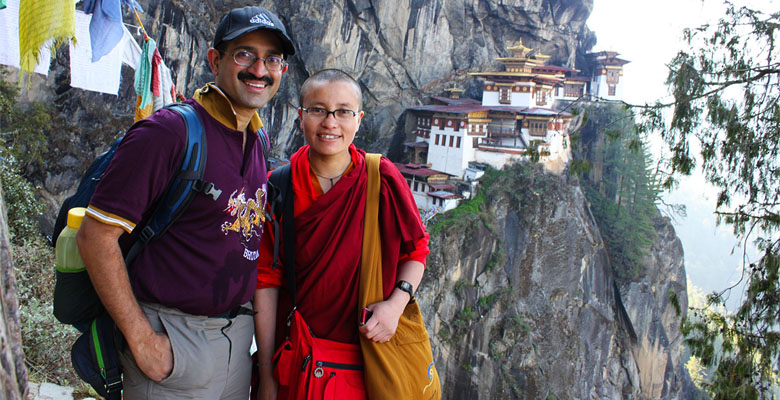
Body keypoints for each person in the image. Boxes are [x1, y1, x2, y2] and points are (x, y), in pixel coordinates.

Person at [76, 6, 295, 399]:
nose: (260, 69)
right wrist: (142, 339)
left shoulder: (258, 141)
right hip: (171, 341)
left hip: (235, 343)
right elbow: (96, 236)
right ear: (215, 60)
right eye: (244, 54)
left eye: (272, 59)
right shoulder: (170, 133)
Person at [254, 69, 431, 399]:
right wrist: (265, 372)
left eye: (343, 112)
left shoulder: (381, 178)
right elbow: (266, 280)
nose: (330, 123)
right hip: (300, 360)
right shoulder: (278, 187)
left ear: (359, 119)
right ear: (300, 116)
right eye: (318, 110)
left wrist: (396, 303)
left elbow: (416, 250)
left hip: (369, 357)